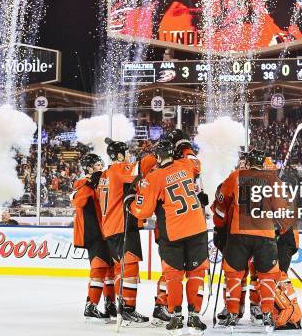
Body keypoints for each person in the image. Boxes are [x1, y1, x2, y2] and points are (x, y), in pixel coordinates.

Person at [129, 140, 208, 334]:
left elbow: (144, 211)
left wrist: (130, 202)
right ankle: (195, 316)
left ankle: (176, 316)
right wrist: (185, 146)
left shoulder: (155, 177)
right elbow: (196, 163)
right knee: (196, 273)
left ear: (157, 158)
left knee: (173, 276)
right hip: (198, 228)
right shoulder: (187, 165)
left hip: (174, 232)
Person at [212, 149, 294, 331]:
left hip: (238, 234)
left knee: (234, 275)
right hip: (264, 235)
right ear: (263, 163)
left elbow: (220, 202)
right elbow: (284, 209)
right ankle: (266, 313)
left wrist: (219, 225)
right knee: (266, 276)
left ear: (248, 162)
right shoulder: (273, 180)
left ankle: (232, 312)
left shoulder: (235, 176)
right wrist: (281, 229)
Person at [97, 139, 149, 324]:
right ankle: (128, 308)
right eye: (126, 152)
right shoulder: (119, 170)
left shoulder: (105, 174)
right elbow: (141, 168)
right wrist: (156, 153)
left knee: (120, 267)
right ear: (118, 156)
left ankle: (122, 306)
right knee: (130, 266)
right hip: (121, 226)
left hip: (110, 227)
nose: (129, 156)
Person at [71, 153, 116, 322]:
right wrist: (89, 184)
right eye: (97, 165)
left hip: (106, 231)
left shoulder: (101, 182)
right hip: (94, 233)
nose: (101, 167)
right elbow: (78, 202)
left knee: (110, 269)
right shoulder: (84, 184)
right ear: (89, 168)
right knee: (99, 267)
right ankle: (91, 305)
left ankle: (110, 303)